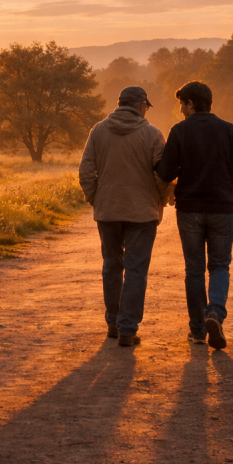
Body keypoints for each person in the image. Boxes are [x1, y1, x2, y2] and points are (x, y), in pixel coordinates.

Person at [155, 81, 233, 350]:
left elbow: (164, 173)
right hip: (223, 209)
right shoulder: (230, 130)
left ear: (191, 104)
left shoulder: (180, 131)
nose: (181, 111)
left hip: (190, 211)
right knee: (220, 265)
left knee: (194, 269)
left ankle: (198, 330)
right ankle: (215, 313)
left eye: (182, 105)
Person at [79, 86, 170, 347]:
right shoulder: (153, 134)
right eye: (147, 106)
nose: (147, 110)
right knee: (136, 270)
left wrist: (96, 199)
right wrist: (160, 200)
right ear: (141, 105)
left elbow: (86, 172)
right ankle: (128, 328)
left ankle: (113, 323)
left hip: (107, 211)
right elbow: (162, 175)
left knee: (111, 264)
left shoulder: (98, 131)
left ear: (120, 105)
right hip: (142, 213)